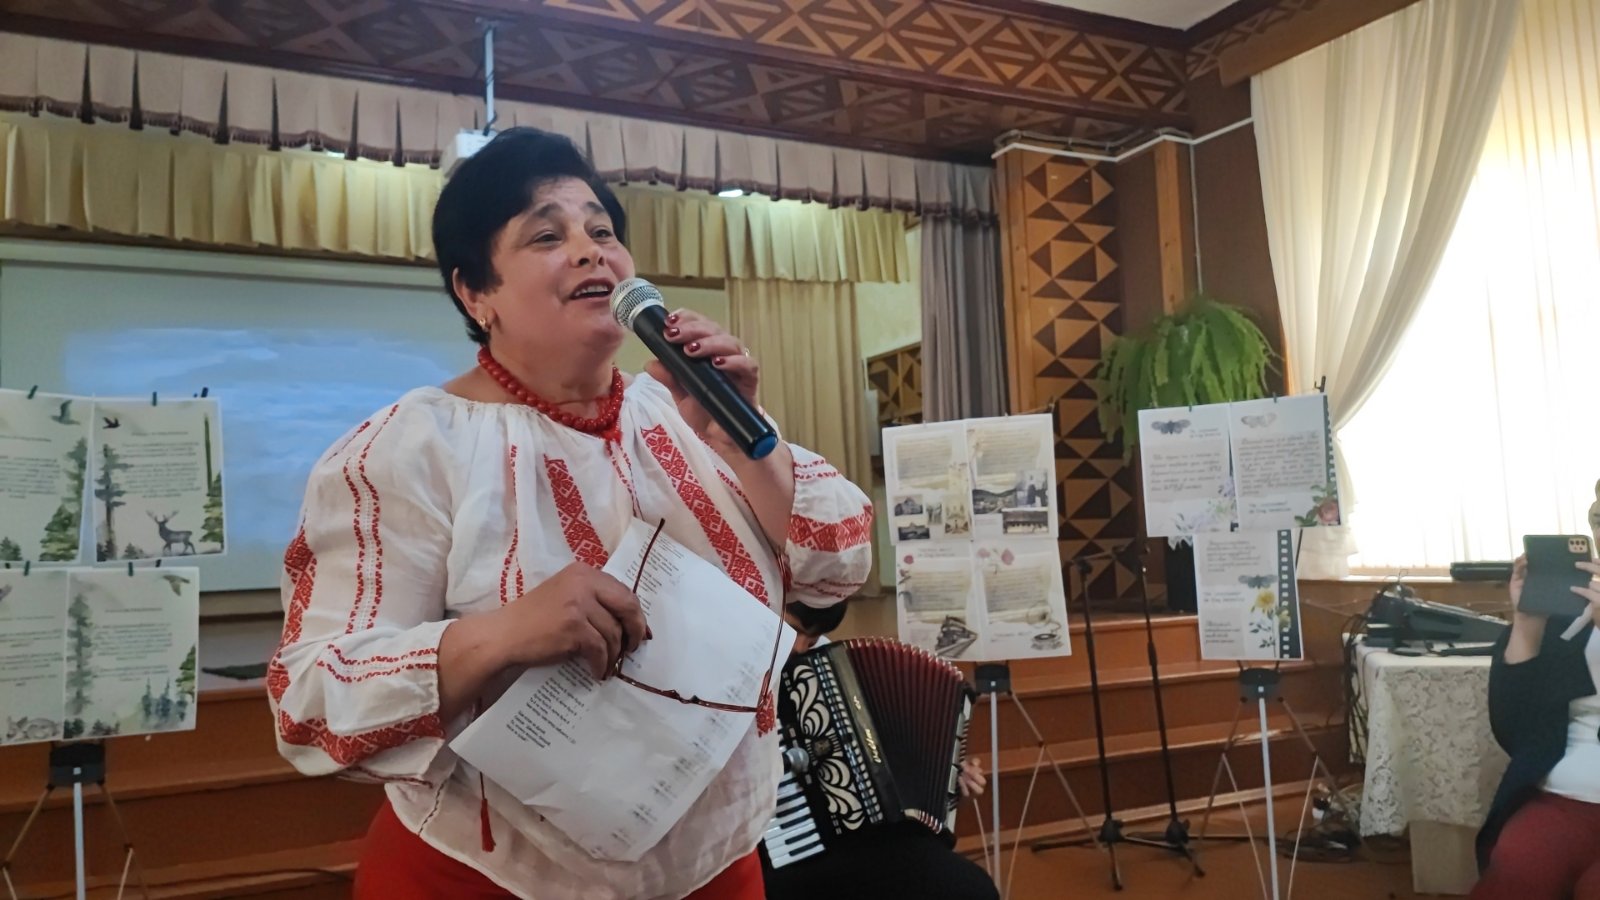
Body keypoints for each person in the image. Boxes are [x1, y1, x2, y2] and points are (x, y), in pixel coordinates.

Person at [266, 127, 875, 900]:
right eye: (547, 236)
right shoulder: (412, 447)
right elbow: (312, 702)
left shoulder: (687, 409)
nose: (591, 252)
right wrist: (501, 635)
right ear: (475, 293)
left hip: (717, 867)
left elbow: (835, 570)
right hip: (490, 881)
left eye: (603, 231)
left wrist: (743, 436)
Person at [763, 602, 999, 900]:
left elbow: (885, 756)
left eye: (811, 640)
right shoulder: (741, 656)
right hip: (789, 838)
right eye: (794, 630)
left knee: (970, 888)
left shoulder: (822, 662)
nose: (800, 647)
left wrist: (949, 777)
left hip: (858, 837)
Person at [1470, 554, 1600, 900]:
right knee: (1519, 866)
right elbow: (1515, 731)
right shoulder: (1571, 615)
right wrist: (1527, 624)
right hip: (1561, 798)